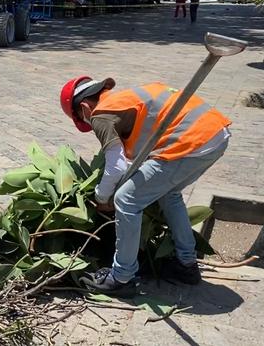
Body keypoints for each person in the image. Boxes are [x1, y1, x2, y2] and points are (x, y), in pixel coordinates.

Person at [59, 76, 231, 293]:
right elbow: (135, 157)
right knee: (169, 193)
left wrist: (102, 197)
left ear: (84, 107)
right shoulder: (126, 100)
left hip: (191, 142)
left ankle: (121, 278)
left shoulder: (100, 114)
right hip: (215, 136)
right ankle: (186, 264)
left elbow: (117, 165)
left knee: (126, 199)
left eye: (84, 121)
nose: (90, 125)